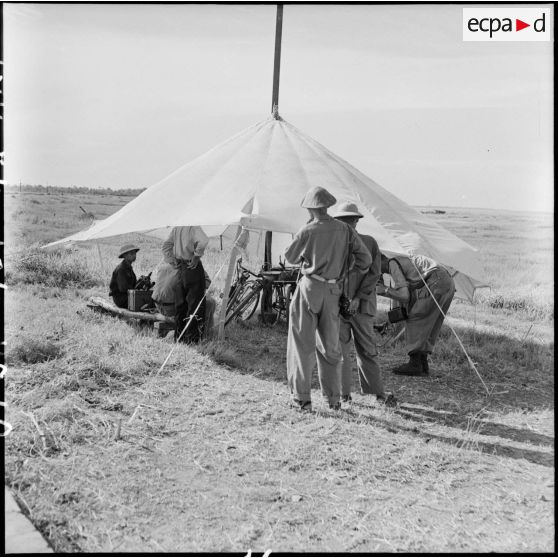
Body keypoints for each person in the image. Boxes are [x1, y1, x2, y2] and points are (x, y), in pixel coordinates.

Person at [284, 187, 372, 412]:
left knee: (302, 345)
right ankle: (333, 400)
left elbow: (290, 257)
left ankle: (301, 399)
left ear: (311, 208)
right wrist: (344, 269)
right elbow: (365, 259)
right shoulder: (345, 230)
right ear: (327, 206)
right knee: (331, 347)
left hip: (310, 288)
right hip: (334, 291)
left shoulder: (307, 230)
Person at [332, 202, 397, 407]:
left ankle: (355, 394)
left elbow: (372, 273)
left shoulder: (363, 243)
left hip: (348, 305)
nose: (347, 224)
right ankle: (364, 394)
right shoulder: (363, 243)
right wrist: (356, 298)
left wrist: (351, 298)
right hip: (356, 305)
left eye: (346, 220)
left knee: (349, 349)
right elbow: (374, 274)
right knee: (359, 349)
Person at [377, 253, 456, 376]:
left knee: (416, 317)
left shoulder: (392, 263)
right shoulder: (402, 261)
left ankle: (415, 364)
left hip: (436, 281)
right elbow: (405, 298)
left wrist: (385, 291)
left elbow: (404, 296)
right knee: (430, 322)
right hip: (448, 283)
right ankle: (423, 364)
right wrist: (388, 322)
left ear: (378, 261)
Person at [162, 226, 208, 343]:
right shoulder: (193, 226)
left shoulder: (177, 227)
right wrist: (196, 257)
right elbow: (203, 241)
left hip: (180, 268)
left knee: (181, 305)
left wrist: (172, 260)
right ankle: (192, 339)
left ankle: (179, 338)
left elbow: (166, 245)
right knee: (195, 305)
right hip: (192, 267)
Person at [109, 244, 139, 308]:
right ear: (125, 255)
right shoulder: (121, 269)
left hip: (128, 296)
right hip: (121, 299)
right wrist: (138, 291)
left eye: (134, 253)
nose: (134, 255)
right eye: (131, 253)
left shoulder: (128, 267)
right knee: (146, 300)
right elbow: (124, 288)